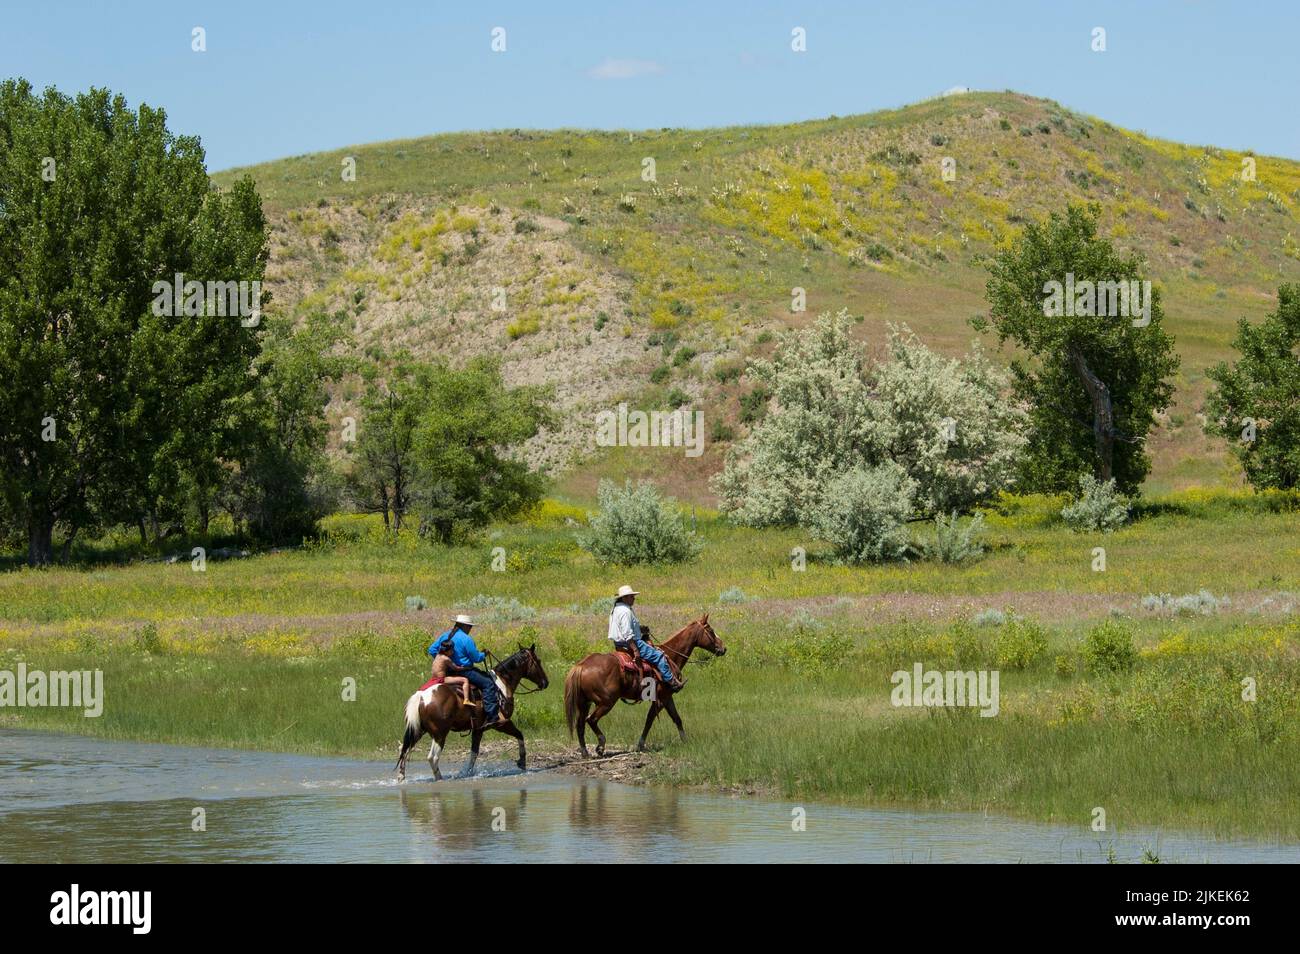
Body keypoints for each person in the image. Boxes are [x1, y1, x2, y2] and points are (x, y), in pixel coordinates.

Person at [427, 614, 502, 723]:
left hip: (447, 671)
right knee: (488, 683)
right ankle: (492, 716)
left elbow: (432, 650)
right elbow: (476, 658)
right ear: (465, 626)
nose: (470, 629)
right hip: (465, 671)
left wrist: (444, 660)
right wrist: (484, 654)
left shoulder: (445, 635)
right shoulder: (466, 639)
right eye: (470, 627)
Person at [608, 585, 683, 691]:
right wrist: (635, 650)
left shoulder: (616, 609)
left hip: (619, 644)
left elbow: (624, 628)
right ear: (624, 598)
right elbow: (627, 633)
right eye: (631, 596)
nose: (634, 598)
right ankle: (671, 682)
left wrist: (640, 629)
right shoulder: (625, 612)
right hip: (631, 642)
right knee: (659, 656)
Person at [430, 640, 476, 707]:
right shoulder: (446, 659)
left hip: (433, 679)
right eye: (452, 650)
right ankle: (466, 699)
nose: (453, 652)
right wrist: (465, 668)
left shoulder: (437, 656)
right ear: (447, 651)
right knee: (465, 680)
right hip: (441, 679)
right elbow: (455, 668)